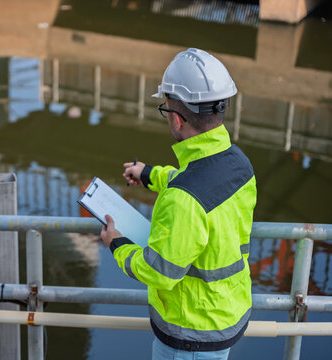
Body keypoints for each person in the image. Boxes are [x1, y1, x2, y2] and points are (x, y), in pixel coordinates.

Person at [100, 48, 257, 360]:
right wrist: (150, 174)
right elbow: (198, 179)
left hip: (190, 335)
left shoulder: (183, 198)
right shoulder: (239, 163)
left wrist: (117, 244)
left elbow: (159, 272)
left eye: (164, 109)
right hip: (224, 311)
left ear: (175, 117)